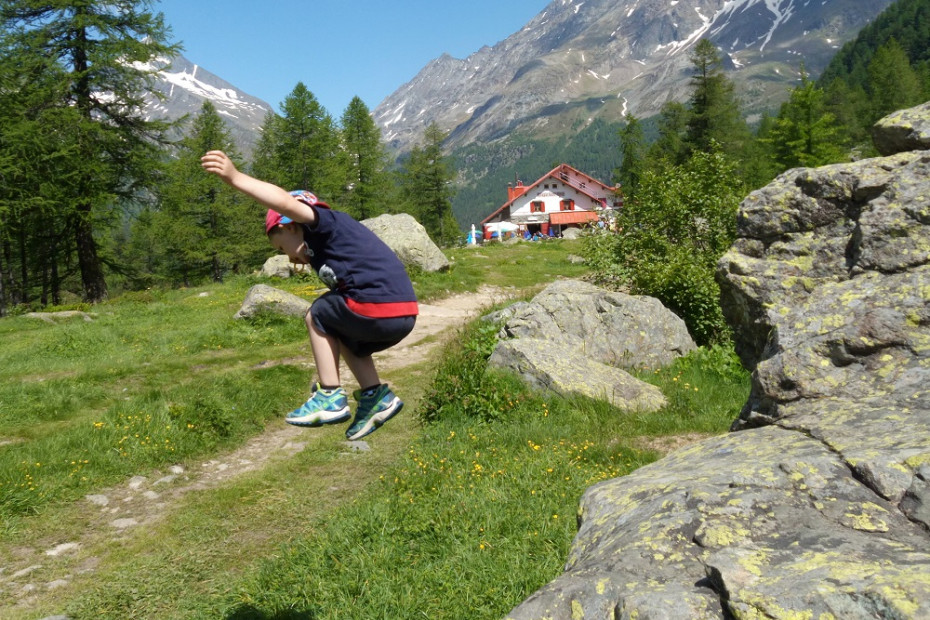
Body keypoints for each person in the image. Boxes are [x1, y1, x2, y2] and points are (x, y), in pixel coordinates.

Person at [200, 150, 418, 441]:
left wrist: (235, 177)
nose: (288, 258)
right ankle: (375, 396)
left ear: (290, 225)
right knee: (340, 331)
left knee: (317, 314)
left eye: (281, 248)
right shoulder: (328, 243)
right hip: (402, 314)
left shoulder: (322, 222)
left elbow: (285, 203)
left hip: (377, 306)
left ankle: (329, 395)